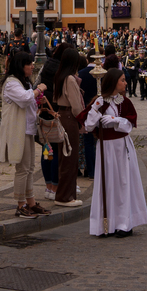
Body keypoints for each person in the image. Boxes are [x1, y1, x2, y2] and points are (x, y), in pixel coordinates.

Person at [83, 69, 147, 238]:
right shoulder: (99, 102)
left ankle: (124, 223)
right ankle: (105, 224)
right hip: (105, 147)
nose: (125, 83)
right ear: (113, 82)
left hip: (121, 146)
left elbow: (130, 124)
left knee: (123, 183)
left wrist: (116, 120)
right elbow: (88, 126)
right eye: (122, 80)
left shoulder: (124, 102)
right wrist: (95, 109)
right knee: (107, 184)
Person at [0, 51, 50, 220]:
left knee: (29, 168)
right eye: (29, 64)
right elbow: (22, 99)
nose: (32, 66)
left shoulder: (24, 82)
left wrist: (38, 100)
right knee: (22, 169)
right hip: (17, 130)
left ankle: (31, 202)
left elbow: (28, 102)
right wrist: (38, 90)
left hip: (28, 129)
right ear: (21, 66)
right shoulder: (11, 83)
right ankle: (20, 205)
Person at [52, 47, 84, 207]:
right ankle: (65, 196)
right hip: (70, 117)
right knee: (70, 158)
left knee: (65, 158)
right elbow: (76, 106)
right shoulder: (70, 79)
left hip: (62, 115)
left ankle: (66, 193)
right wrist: (83, 120)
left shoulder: (60, 76)